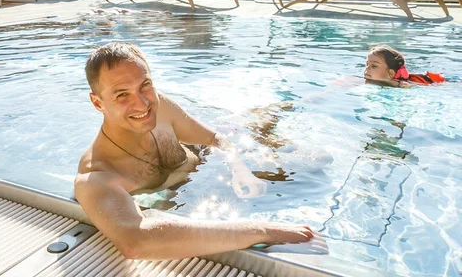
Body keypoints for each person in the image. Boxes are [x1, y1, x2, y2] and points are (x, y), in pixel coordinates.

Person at [74, 42, 317, 260]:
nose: (143, 104)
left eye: (145, 85)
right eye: (122, 94)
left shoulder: (162, 109)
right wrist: (264, 231)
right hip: (199, 186)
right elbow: (135, 242)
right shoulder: (97, 176)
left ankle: (305, 100)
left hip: (209, 158)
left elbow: (215, 138)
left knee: (313, 159)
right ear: (97, 103)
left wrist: (239, 168)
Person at [364, 45, 445, 87]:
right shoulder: (370, 80)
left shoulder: (402, 85)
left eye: (374, 66)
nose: (367, 69)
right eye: (367, 64)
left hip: (435, 82)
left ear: (391, 73)